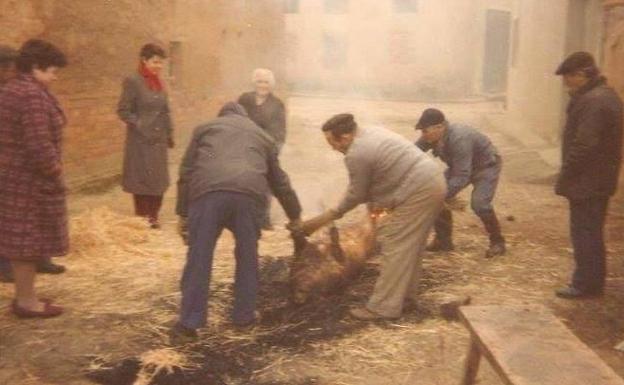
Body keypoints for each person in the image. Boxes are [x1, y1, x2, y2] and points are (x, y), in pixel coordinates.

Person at [171, 102, 302, 341]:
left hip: (208, 195)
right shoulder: (262, 136)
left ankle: (189, 324)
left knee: (199, 257)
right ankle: (244, 317)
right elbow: (280, 182)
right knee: (247, 255)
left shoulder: (205, 129)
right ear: (246, 117)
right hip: (248, 196)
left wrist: (183, 214)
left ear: (221, 115)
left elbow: (186, 172)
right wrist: (296, 215)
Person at [297, 114, 446, 321]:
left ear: (346, 136)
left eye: (333, 142)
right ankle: (405, 299)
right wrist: (376, 216)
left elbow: (356, 194)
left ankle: (383, 308)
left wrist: (323, 219)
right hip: (430, 182)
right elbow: (374, 188)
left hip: (419, 191)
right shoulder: (369, 132)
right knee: (411, 246)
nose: (332, 147)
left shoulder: (357, 153)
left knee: (395, 244)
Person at [0, 39, 68, 317]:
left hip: (15, 177)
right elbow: (38, 144)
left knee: (23, 242)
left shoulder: (15, 89)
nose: (54, 77)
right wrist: (55, 169)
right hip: (27, 182)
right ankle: (26, 303)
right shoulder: (29, 95)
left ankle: (25, 296)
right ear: (36, 68)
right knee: (26, 243)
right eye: (52, 71)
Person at [553, 52, 623, 299]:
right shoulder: (602, 96)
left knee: (585, 233)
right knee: (591, 231)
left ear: (582, 74)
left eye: (569, 77)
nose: (566, 83)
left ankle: (585, 285)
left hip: (588, 181)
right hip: (597, 179)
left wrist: (565, 175)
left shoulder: (594, 101)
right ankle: (592, 283)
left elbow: (584, 145)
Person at [415, 108, 506, 258]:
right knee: (435, 191)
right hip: (460, 167)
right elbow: (411, 153)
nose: (423, 135)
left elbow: (462, 175)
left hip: (485, 167)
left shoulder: (460, 138)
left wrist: (443, 195)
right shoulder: (430, 136)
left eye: (425, 131)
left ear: (440, 127)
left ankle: (498, 242)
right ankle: (443, 241)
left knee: (480, 204)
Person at [117, 43, 174, 229]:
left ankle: (153, 216)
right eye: (155, 62)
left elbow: (165, 110)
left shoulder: (158, 83)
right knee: (141, 179)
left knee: (158, 179)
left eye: (161, 63)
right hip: (140, 140)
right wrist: (139, 124)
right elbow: (123, 110)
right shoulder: (133, 81)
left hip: (158, 140)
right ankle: (142, 218)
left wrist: (169, 133)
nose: (159, 66)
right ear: (144, 60)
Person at [238, 68, 286, 230]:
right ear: (254, 82)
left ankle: (263, 219)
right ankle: (242, 217)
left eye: (266, 82)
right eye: (259, 81)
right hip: (244, 147)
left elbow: (280, 131)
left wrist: (274, 149)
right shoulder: (245, 100)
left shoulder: (277, 104)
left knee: (265, 185)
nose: (262, 85)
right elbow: (235, 120)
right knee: (243, 181)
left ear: (271, 84)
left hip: (266, 149)